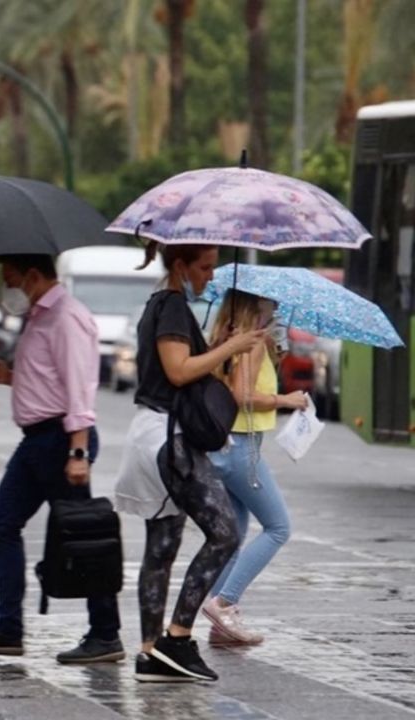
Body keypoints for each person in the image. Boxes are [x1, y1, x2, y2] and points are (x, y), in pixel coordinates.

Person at [0, 254, 124, 664]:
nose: (8, 288)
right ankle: (8, 629)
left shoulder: (67, 316)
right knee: (3, 524)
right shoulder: (39, 315)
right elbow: (47, 378)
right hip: (36, 441)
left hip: (61, 440)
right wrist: (8, 375)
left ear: (33, 275)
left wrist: (78, 451)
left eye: (11, 279)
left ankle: (105, 634)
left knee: (85, 538)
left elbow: (80, 387)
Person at [113, 243, 264, 683]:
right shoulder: (174, 305)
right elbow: (178, 371)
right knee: (224, 532)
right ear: (180, 265)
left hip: (149, 435)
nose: (211, 276)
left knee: (161, 547)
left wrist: (220, 346)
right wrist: (231, 345)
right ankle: (176, 640)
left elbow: (180, 368)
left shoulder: (160, 304)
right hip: (168, 440)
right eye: (205, 267)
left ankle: (149, 653)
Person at [202, 290, 305, 645]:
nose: (276, 306)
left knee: (233, 535)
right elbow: (241, 395)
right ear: (254, 304)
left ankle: (221, 625)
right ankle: (224, 602)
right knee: (278, 528)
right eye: (270, 301)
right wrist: (286, 399)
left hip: (226, 445)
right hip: (242, 448)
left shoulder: (226, 339)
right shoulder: (251, 342)